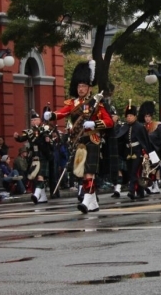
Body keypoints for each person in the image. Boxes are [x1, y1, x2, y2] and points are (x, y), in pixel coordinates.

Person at [45, 60, 114, 213]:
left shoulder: (96, 102)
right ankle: (93, 202)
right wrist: (52, 115)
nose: (80, 89)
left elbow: (109, 122)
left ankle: (87, 200)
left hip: (92, 139)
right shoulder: (73, 103)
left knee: (89, 171)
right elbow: (62, 112)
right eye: (78, 86)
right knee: (82, 172)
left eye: (83, 86)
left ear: (89, 87)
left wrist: (94, 124)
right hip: (79, 140)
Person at [14, 110, 53, 204]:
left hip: (43, 155)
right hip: (34, 156)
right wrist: (17, 137)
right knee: (37, 177)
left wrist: (47, 138)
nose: (33, 122)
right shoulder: (29, 132)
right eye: (32, 120)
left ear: (39, 121)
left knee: (40, 176)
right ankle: (43, 196)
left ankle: (36, 194)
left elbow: (47, 137)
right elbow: (22, 138)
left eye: (35, 120)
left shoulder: (44, 129)